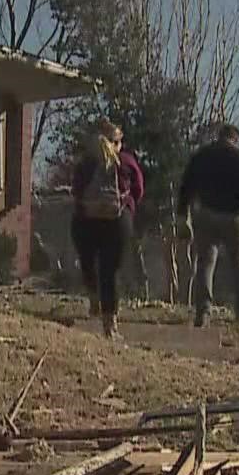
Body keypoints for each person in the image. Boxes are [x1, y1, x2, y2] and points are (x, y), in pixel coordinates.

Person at [178, 123, 239, 328]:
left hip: (206, 214)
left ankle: (203, 313)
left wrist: (182, 214)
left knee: (205, 263)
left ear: (219, 136)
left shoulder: (201, 156)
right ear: (236, 138)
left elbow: (186, 186)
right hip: (234, 217)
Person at [70, 121, 144, 339]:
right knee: (110, 272)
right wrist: (127, 205)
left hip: (86, 220)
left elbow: (76, 190)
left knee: (88, 261)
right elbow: (138, 189)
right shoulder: (127, 161)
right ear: (117, 141)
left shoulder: (85, 163)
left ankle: (93, 296)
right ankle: (110, 327)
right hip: (117, 220)